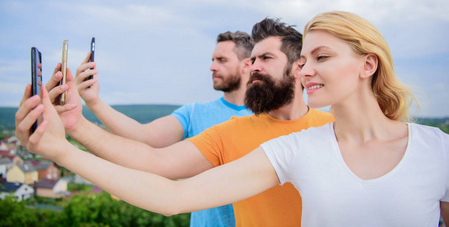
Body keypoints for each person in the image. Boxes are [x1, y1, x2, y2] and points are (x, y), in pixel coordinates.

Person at [16, 18, 334, 226]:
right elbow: (153, 158)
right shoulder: (230, 130)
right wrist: (76, 125)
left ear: (299, 68)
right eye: (253, 60)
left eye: (265, 59)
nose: (254, 68)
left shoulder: (333, 126)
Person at [68, 31, 254, 227]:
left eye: (222, 60)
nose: (212, 66)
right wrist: (94, 102)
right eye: (213, 59)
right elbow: (145, 136)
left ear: (247, 65)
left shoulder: (269, 119)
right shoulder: (195, 113)